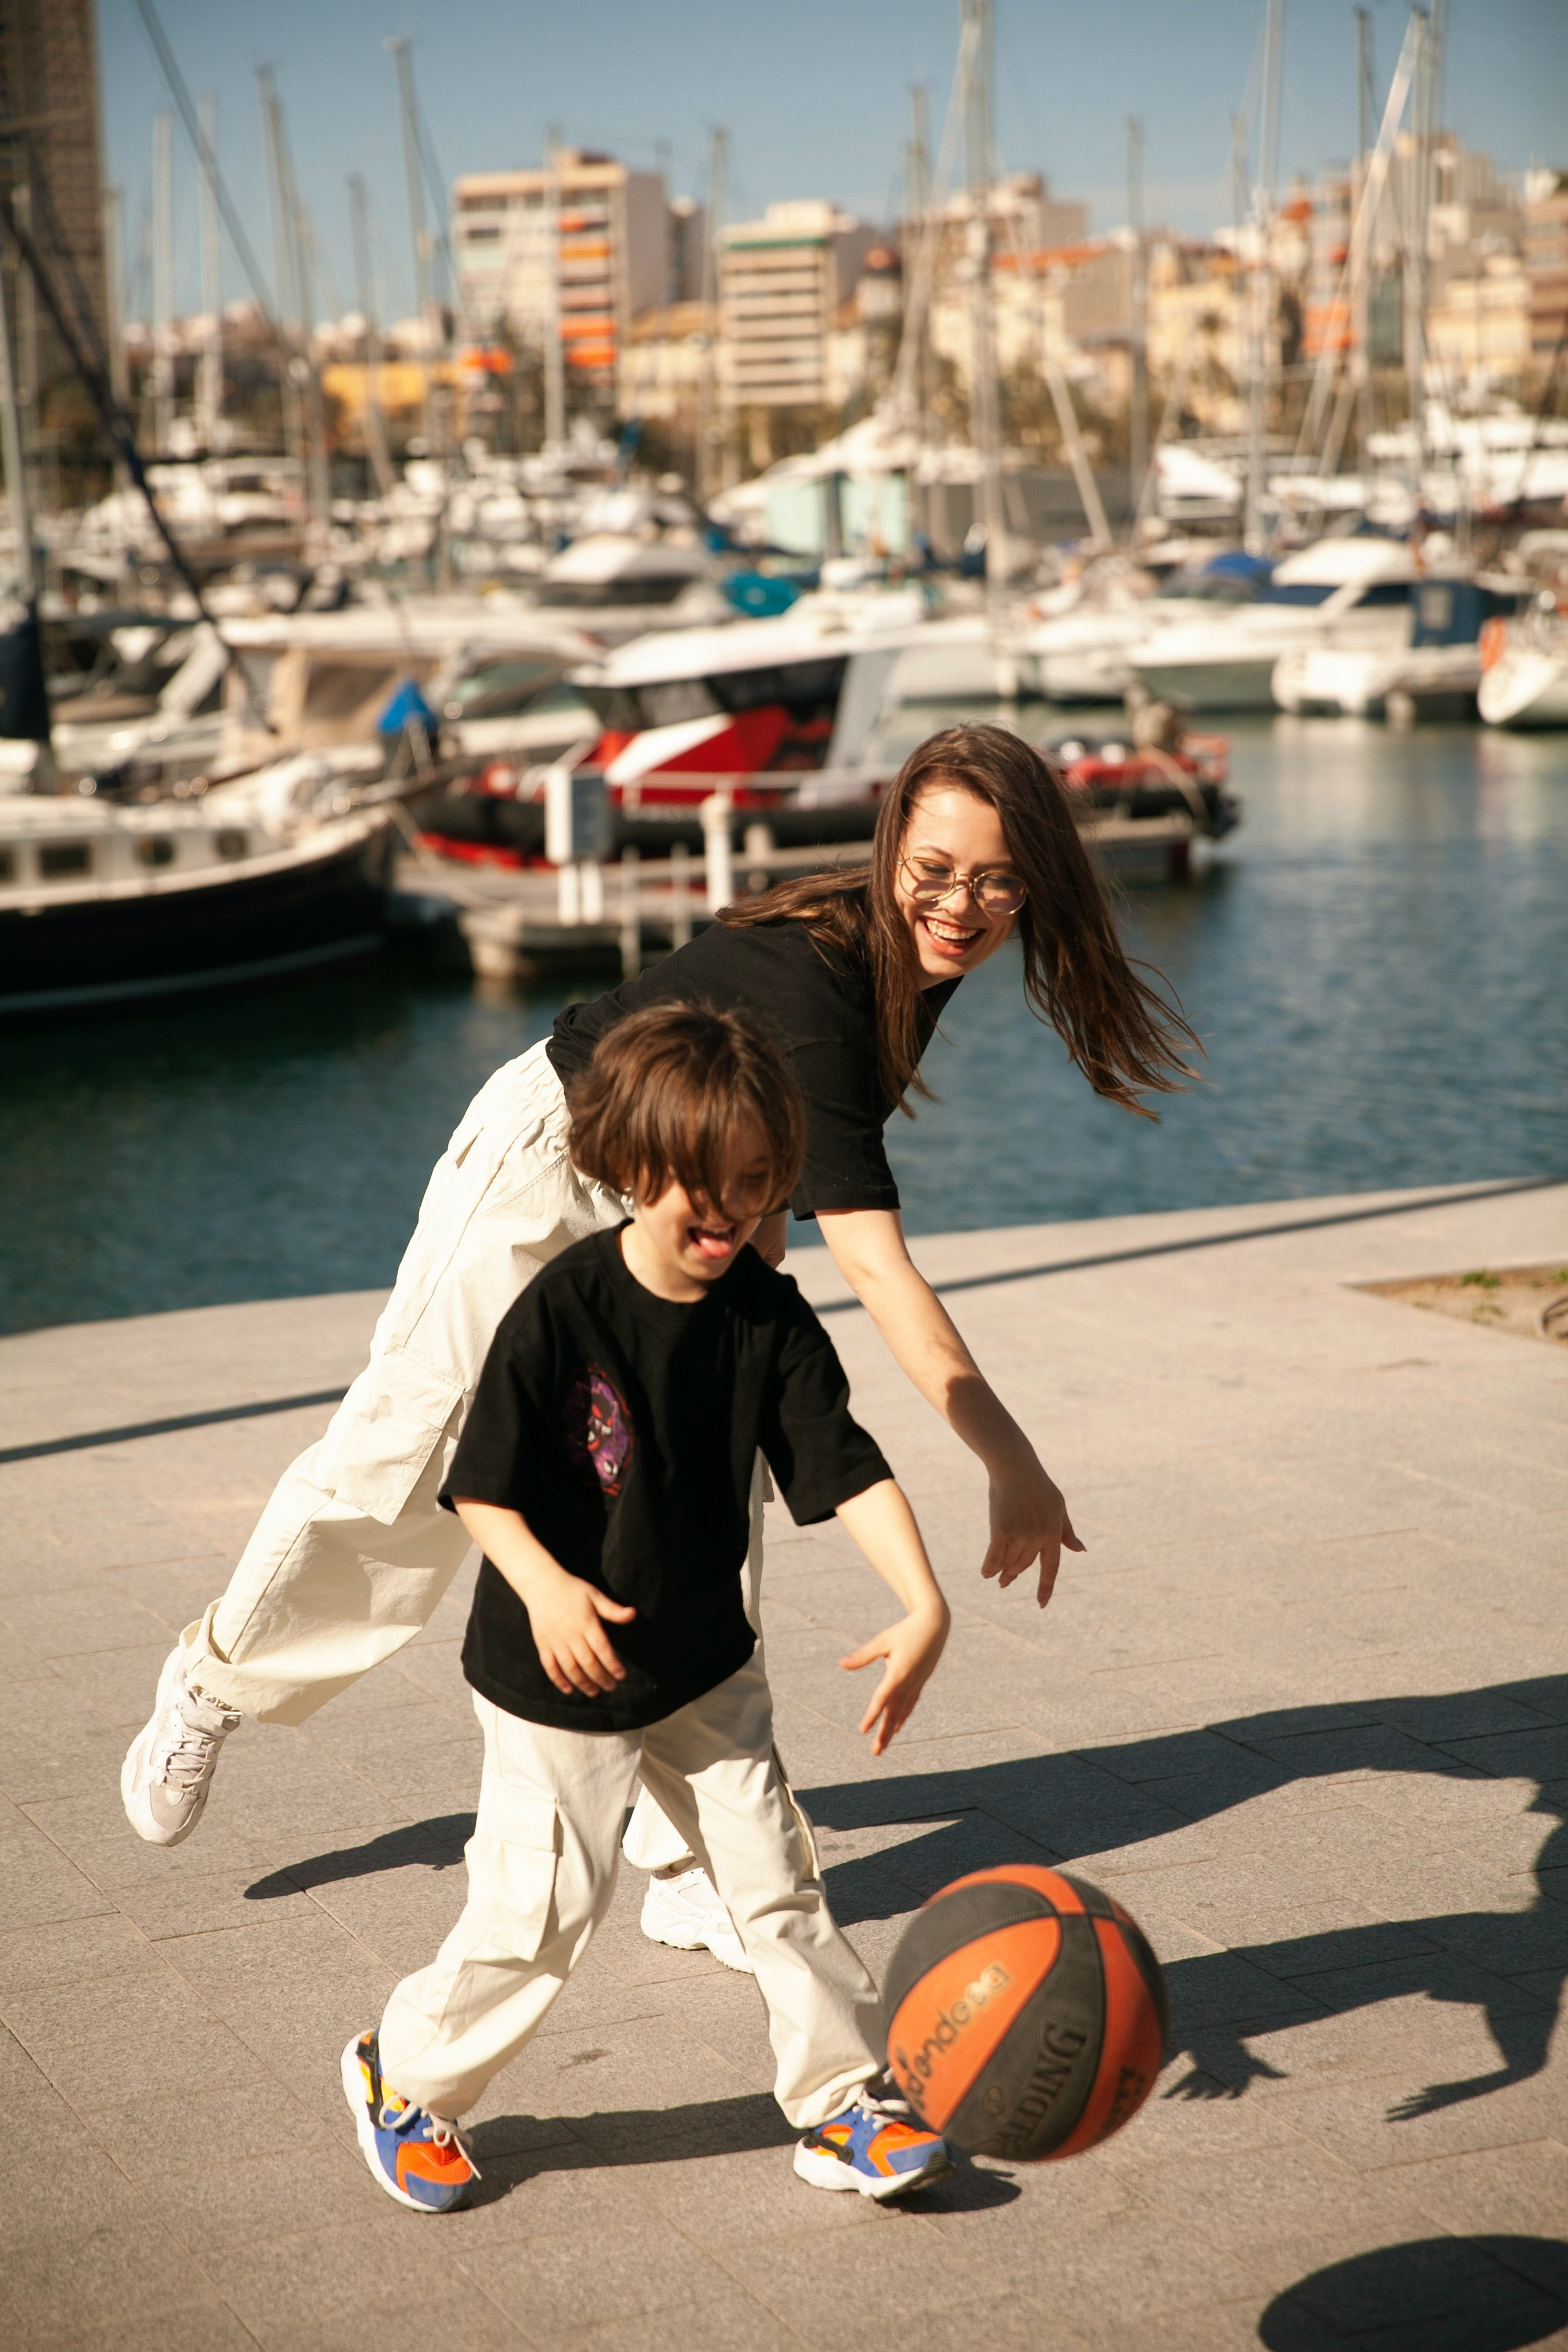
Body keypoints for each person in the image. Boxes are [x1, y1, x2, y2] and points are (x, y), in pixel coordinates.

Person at [121, 723, 1194, 1967]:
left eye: (998, 881)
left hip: (694, 1207)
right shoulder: (823, 983)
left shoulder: (912, 960)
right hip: (554, 1169)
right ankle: (217, 1679)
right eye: (935, 870)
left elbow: (776, 1155)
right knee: (412, 1461)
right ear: (888, 846)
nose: (962, 905)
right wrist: (1008, 1459)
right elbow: (876, 1265)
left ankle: (689, 1864)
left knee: (701, 1510)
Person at [342, 1003, 953, 2211]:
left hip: (702, 1659)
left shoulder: (766, 1316)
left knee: (776, 1884)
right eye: (704, 1184)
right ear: (629, 1167)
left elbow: (842, 1464)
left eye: (758, 1181)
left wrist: (923, 1600)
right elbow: (482, 1490)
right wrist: (548, 1590)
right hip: (557, 1672)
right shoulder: (563, 1308)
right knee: (545, 1910)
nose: (732, 1210)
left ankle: (841, 2102)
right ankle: (404, 2076)